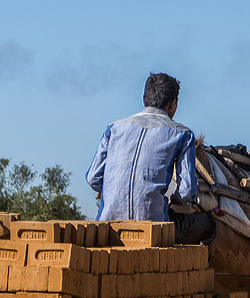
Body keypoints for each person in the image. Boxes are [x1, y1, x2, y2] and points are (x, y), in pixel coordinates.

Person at [86, 73, 214, 244]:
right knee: (210, 226)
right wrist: (173, 199)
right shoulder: (183, 135)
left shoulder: (114, 128)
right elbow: (186, 192)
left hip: (107, 225)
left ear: (144, 98)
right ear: (172, 104)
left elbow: (93, 178)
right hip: (153, 228)